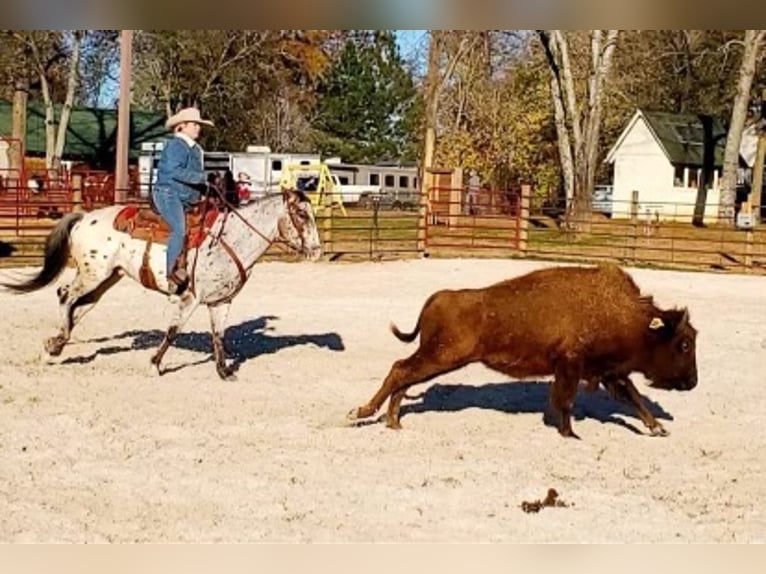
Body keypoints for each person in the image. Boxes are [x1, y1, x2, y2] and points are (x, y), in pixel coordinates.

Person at [151, 107, 213, 295]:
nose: (198, 128)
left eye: (198, 125)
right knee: (179, 228)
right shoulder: (176, 145)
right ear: (181, 127)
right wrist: (202, 178)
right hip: (168, 193)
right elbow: (173, 171)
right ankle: (171, 273)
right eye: (194, 125)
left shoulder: (195, 148)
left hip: (186, 195)